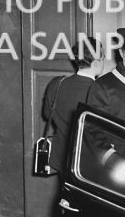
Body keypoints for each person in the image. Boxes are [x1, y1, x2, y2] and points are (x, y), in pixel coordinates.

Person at [41, 37, 106, 174]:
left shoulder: (57, 83)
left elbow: (47, 114)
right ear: (96, 62)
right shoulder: (99, 90)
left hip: (62, 158)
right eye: (103, 57)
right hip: (88, 161)